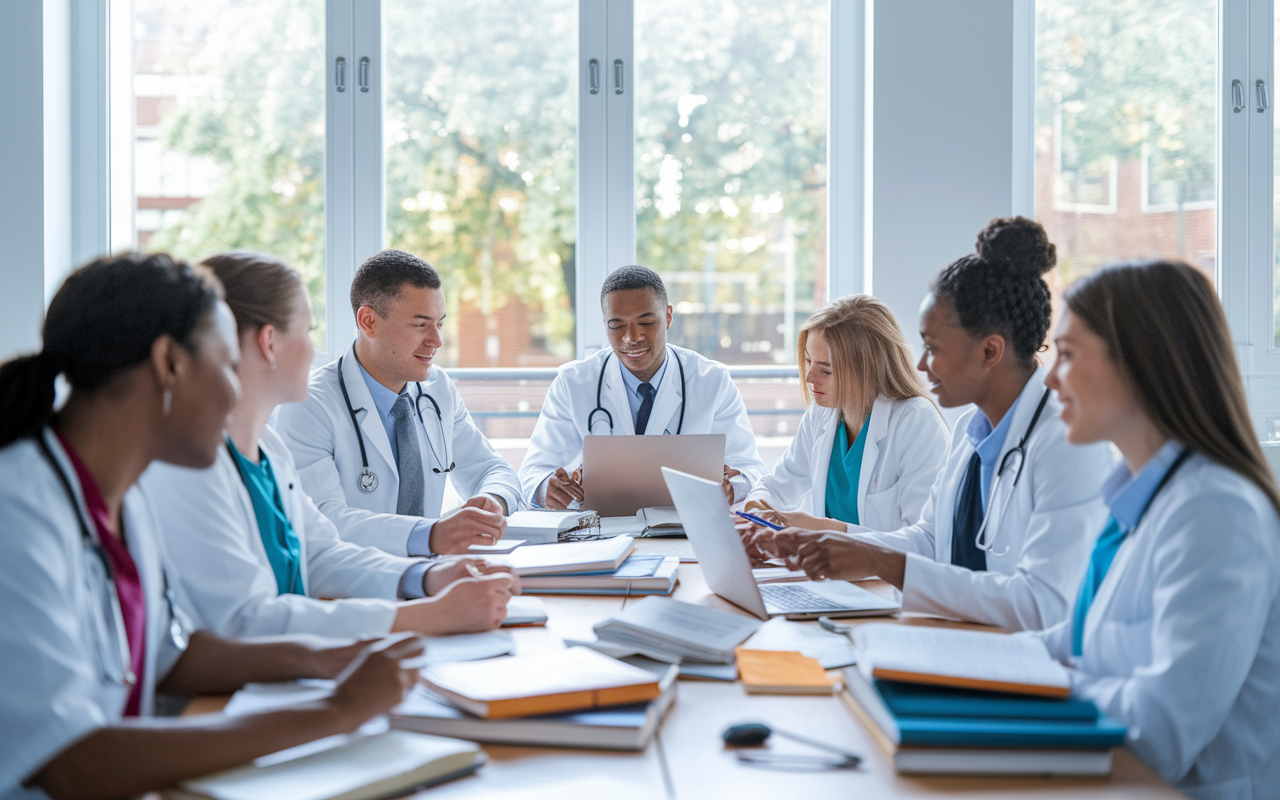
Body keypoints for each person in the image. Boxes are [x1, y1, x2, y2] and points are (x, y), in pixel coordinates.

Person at [0, 253, 426, 800]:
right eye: (227, 366)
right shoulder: (20, 511)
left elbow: (171, 656)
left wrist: (327, 658)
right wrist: (335, 711)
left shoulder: (123, 501)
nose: (234, 393)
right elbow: (73, 762)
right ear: (168, 363)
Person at [760, 217, 1116, 631]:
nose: (920, 364)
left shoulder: (1067, 442)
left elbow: (1043, 605)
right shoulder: (971, 430)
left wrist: (878, 559)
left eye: (933, 348)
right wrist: (836, 546)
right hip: (956, 636)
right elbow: (929, 539)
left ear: (989, 351)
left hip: (1027, 664)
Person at [143, 252, 518, 639]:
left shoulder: (267, 447)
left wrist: (427, 575)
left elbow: (320, 553)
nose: (313, 350)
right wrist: (426, 616)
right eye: (307, 332)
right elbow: (245, 620)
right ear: (269, 342)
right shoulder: (189, 466)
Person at [1037, 259, 1280, 798]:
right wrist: (973, 665)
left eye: (1069, 355)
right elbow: (1085, 643)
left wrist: (1028, 686)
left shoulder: (1219, 512)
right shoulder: (1143, 494)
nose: (1051, 377)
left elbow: (1163, 727)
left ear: (1142, 363)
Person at [276, 249, 522, 557]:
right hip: (354, 588)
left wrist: (493, 499)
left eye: (440, 324)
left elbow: (493, 468)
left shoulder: (438, 390)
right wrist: (431, 535)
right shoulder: (308, 404)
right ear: (368, 322)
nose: (436, 340)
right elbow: (323, 521)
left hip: (432, 577)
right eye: (420, 325)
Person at [520, 265, 766, 509]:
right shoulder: (572, 382)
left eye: (646, 322)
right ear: (605, 324)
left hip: (683, 529)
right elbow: (533, 472)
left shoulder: (712, 380)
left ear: (668, 317)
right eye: (617, 326)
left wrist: (733, 486)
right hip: (597, 531)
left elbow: (752, 468)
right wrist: (546, 489)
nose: (631, 338)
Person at [742, 294, 948, 532]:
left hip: (881, 570)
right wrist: (757, 512)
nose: (809, 377)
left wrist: (825, 531)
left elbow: (925, 540)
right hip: (823, 568)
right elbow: (778, 485)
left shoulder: (915, 421)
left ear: (867, 369)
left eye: (826, 370)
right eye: (808, 362)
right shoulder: (821, 415)